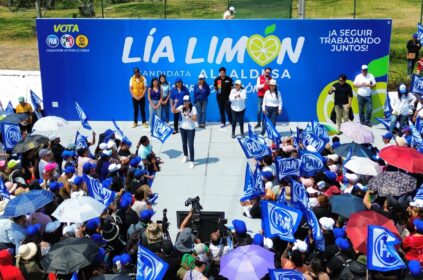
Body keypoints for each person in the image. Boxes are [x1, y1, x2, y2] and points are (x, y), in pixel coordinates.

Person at [172, 95, 197, 169]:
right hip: (183, 128)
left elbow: (195, 119)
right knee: (184, 144)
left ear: (189, 101)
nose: (185, 102)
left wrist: (188, 115)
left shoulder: (193, 108)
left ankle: (192, 161)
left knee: (190, 145)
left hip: (191, 129)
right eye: (184, 101)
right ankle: (185, 156)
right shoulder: (181, 107)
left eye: (186, 101)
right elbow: (173, 111)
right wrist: (175, 103)